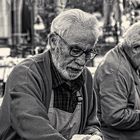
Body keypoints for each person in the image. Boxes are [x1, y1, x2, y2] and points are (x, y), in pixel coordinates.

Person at [0, 9, 103, 140]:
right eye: (75, 50)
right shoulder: (26, 74)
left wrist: (93, 135)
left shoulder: (86, 77)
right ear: (54, 42)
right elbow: (33, 128)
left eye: (88, 53)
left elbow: (91, 123)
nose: (82, 61)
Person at [93, 21, 140, 140]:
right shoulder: (115, 70)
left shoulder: (130, 59)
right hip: (116, 135)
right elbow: (115, 117)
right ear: (135, 48)